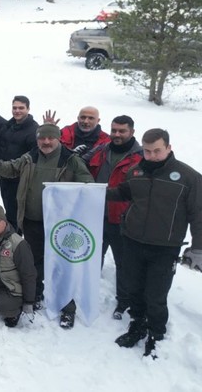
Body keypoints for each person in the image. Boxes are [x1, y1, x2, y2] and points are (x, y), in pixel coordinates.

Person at [0, 123, 93, 329]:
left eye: (50, 138)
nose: (46, 142)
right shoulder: (30, 157)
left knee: (61, 265)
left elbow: (86, 183)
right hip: (32, 220)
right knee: (34, 262)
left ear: (58, 138)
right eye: (42, 138)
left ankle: (67, 307)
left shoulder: (70, 160)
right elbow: (12, 168)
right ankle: (35, 294)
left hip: (59, 225)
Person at [106, 128, 202, 358]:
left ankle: (156, 334)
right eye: (147, 151)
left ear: (168, 148)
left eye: (157, 151)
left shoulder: (189, 177)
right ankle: (137, 325)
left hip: (164, 248)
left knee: (156, 295)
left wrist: (198, 248)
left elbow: (198, 214)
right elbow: (124, 192)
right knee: (133, 289)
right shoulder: (136, 171)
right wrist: (97, 192)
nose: (151, 156)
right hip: (132, 241)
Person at [83, 115, 142, 319]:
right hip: (96, 215)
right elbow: (80, 164)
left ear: (132, 132)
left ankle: (123, 302)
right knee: (90, 258)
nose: (117, 134)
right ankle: (87, 294)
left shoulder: (141, 156)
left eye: (122, 131)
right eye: (114, 130)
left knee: (123, 264)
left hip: (123, 219)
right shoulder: (101, 149)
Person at [0, 96, 38, 230]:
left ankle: (17, 241)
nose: (17, 111)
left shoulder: (33, 129)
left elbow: (35, 155)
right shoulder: (9, 126)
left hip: (21, 179)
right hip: (5, 175)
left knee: (18, 213)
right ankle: (10, 238)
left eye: (21, 108)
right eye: (15, 108)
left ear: (28, 109)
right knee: (8, 208)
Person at [44, 106, 110, 156]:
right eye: (83, 117)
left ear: (98, 121)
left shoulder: (106, 141)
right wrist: (49, 130)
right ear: (78, 118)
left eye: (91, 118)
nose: (86, 121)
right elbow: (46, 146)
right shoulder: (64, 133)